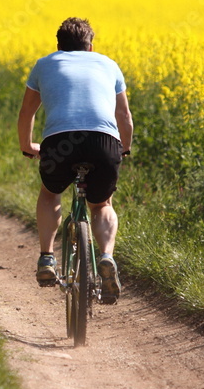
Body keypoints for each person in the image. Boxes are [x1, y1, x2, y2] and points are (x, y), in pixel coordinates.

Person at [17, 17, 134, 303]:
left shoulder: (45, 64)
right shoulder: (108, 64)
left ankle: (46, 258)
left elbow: (27, 114)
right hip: (104, 142)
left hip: (59, 142)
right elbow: (124, 117)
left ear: (58, 46)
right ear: (90, 47)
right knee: (102, 204)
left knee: (50, 192)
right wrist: (124, 149)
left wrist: (27, 147)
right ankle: (106, 256)